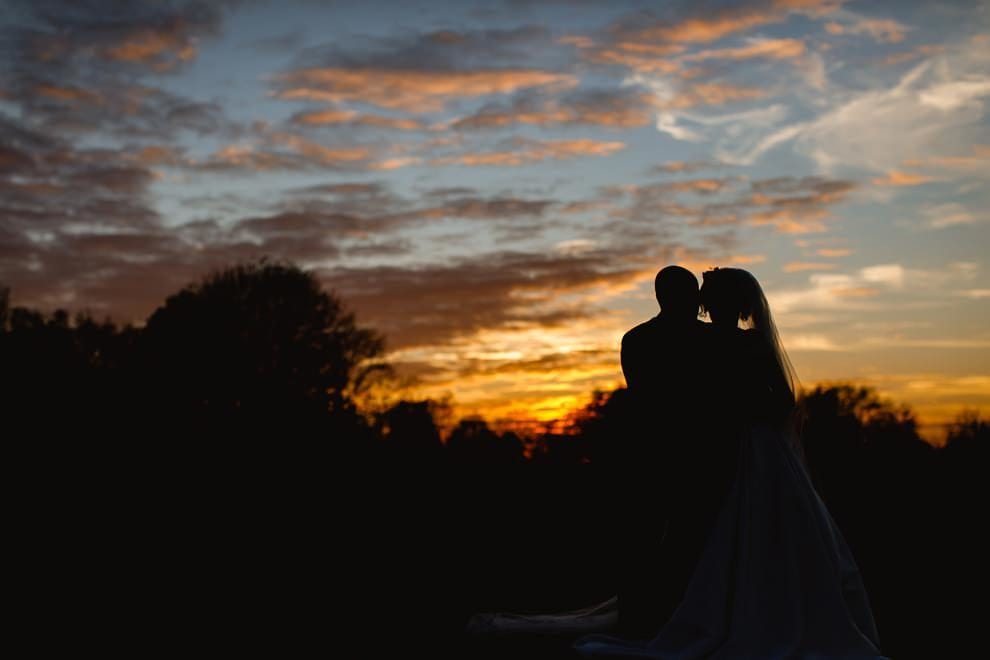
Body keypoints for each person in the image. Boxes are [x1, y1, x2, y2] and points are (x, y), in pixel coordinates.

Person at [574, 267, 884, 658]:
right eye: (700, 296)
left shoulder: (739, 343)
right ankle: (679, 611)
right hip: (702, 452)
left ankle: (750, 609)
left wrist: (743, 411)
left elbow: (779, 400)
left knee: (752, 531)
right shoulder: (666, 340)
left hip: (745, 450)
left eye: (704, 296)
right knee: (700, 537)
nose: (701, 304)